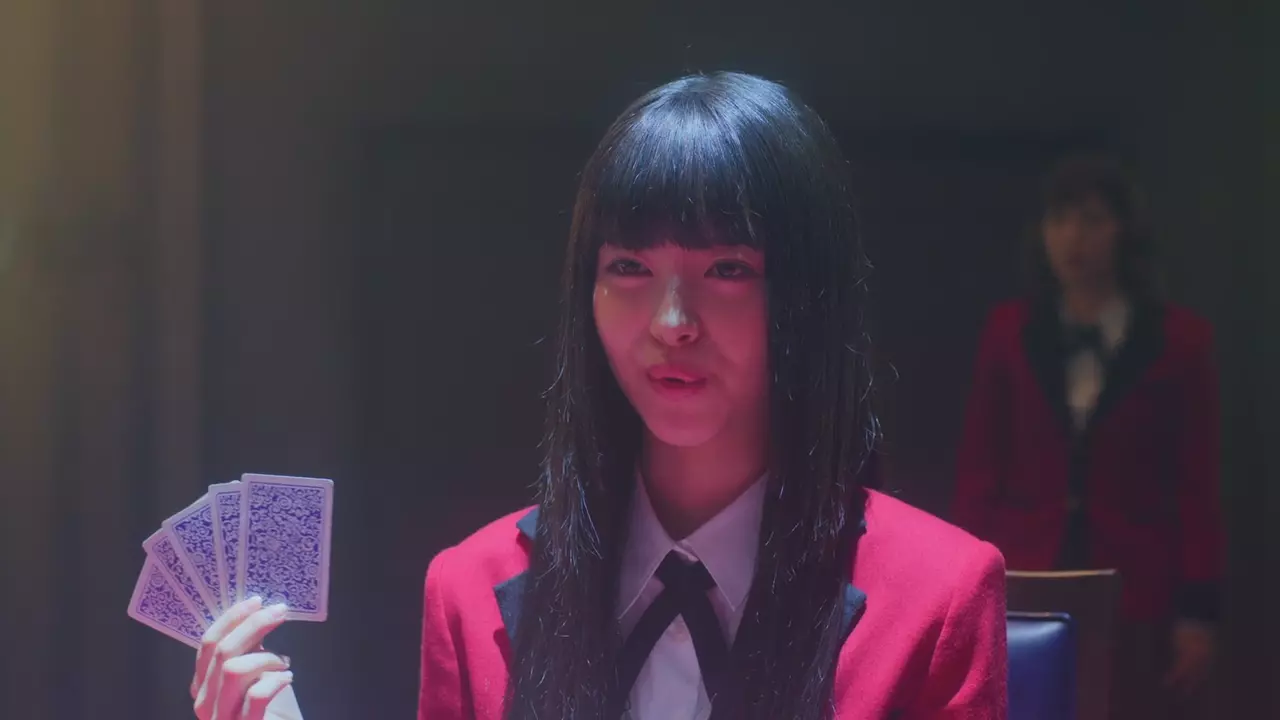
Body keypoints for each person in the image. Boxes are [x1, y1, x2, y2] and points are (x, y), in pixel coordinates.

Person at [190, 72, 1008, 720]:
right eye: (629, 268)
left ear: (808, 298)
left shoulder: (939, 596)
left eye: (727, 269)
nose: (672, 322)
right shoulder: (469, 590)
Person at [952, 155, 1222, 718]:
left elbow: (1196, 482)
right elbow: (980, 469)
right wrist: (962, 587)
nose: (1074, 237)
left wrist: (1198, 609)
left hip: (1137, 582)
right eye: (1061, 219)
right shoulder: (1010, 331)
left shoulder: (1180, 341)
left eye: (1093, 219)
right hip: (1024, 569)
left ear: (1123, 231)